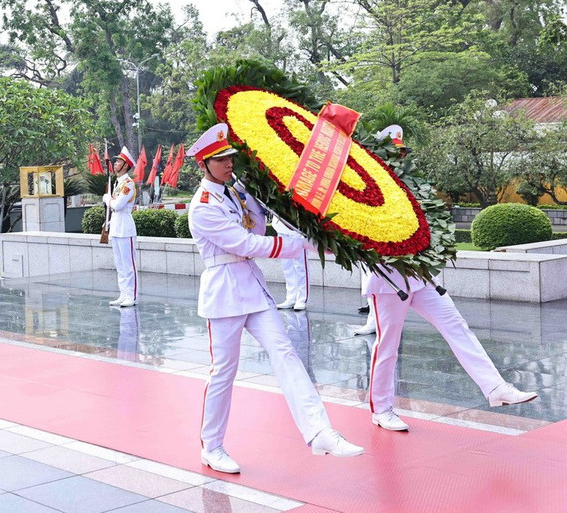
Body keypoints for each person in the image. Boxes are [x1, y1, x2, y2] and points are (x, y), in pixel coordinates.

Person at [186, 123, 363, 474]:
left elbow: (261, 222)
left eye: (229, 158)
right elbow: (248, 244)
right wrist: (302, 245)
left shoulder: (234, 192)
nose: (227, 164)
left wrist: (301, 219)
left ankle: (319, 431)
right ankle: (213, 446)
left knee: (286, 353)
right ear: (203, 165)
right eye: (219, 159)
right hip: (224, 292)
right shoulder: (203, 206)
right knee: (223, 372)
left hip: (251, 287)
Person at [361, 132, 537, 431]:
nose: (400, 157)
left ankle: (495, 387)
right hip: (388, 281)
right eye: (393, 153)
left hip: (421, 277)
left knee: (457, 326)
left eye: (401, 153)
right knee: (387, 345)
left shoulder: (411, 186)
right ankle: (382, 408)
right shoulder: (367, 189)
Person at [103, 147, 139, 307]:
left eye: (118, 161)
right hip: (116, 226)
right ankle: (123, 294)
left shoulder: (128, 184)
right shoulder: (118, 183)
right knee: (119, 264)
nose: (115, 163)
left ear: (125, 165)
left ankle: (132, 296)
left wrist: (107, 199)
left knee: (129, 265)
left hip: (125, 226)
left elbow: (117, 205)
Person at [272, 216, 310, 311]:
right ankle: (291, 297)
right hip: (281, 223)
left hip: (297, 226)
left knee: (300, 265)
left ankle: (301, 298)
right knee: (287, 265)